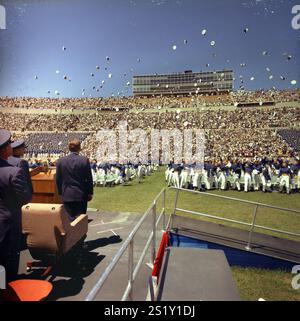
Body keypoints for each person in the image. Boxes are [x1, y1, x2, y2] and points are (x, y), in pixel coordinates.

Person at [0, 129, 32, 282]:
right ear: (6, 149)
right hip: (8, 226)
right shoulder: (14, 172)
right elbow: (25, 198)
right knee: (9, 265)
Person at [56, 139, 93, 220]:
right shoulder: (84, 160)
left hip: (67, 194)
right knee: (81, 221)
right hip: (81, 195)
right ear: (79, 148)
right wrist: (90, 193)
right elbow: (89, 178)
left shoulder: (61, 161)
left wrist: (60, 192)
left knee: (69, 220)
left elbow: (58, 179)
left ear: (69, 149)